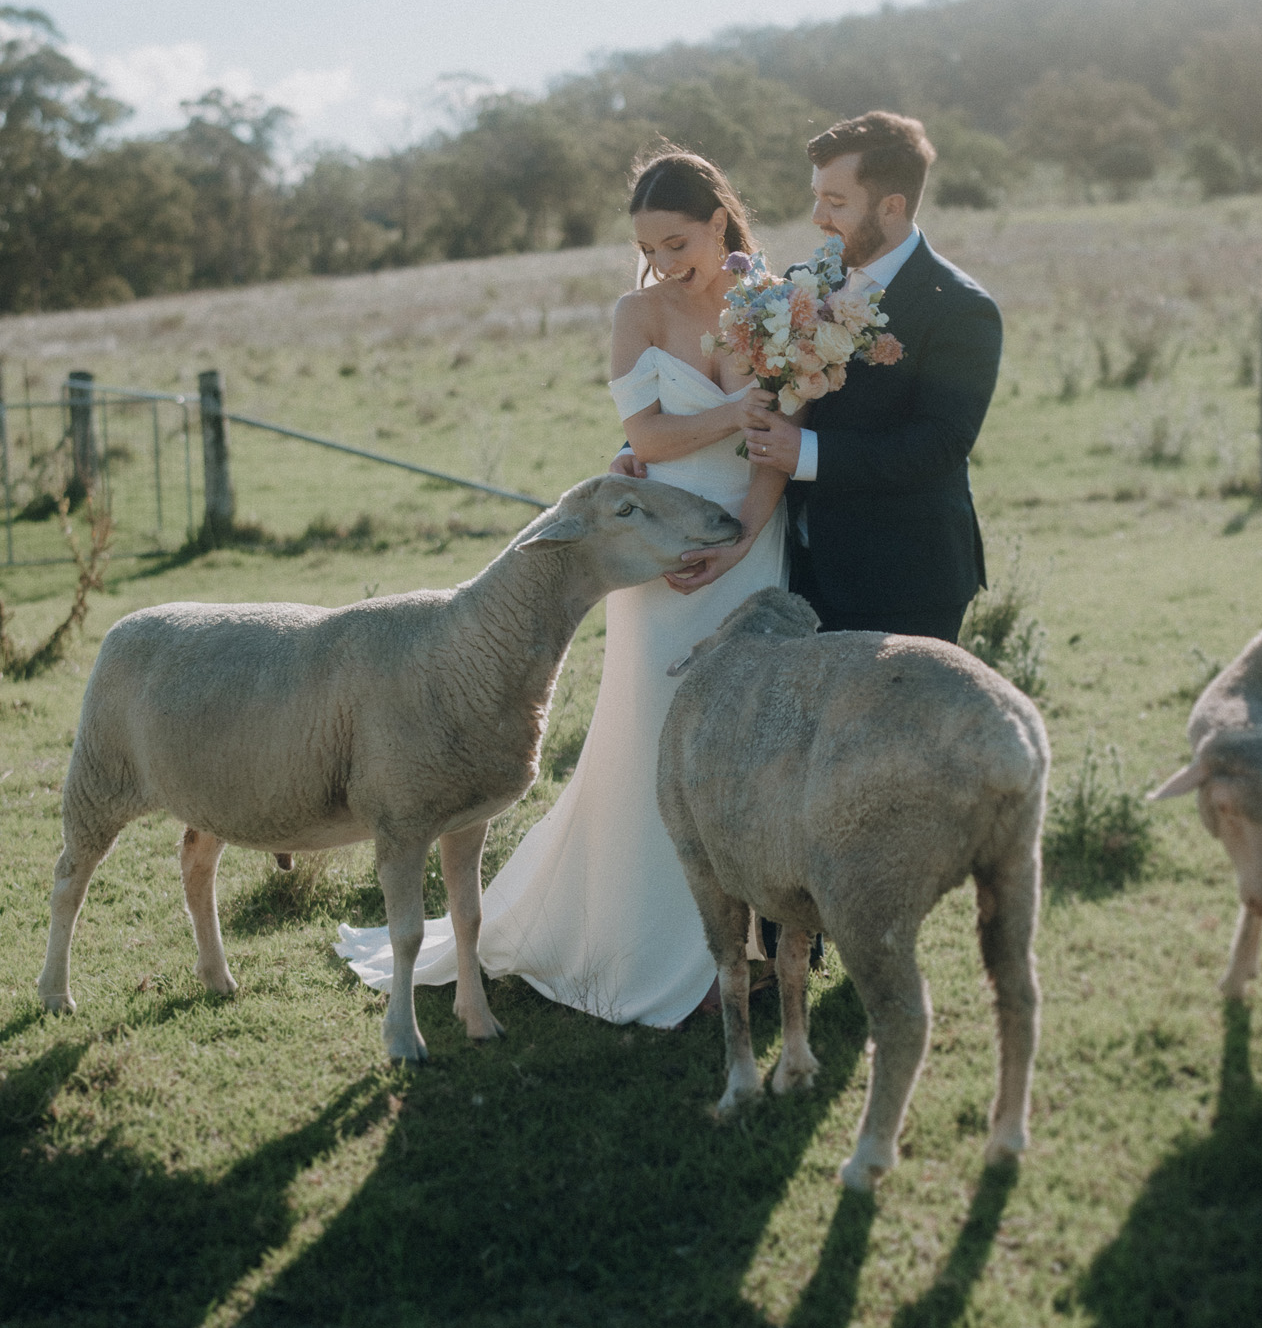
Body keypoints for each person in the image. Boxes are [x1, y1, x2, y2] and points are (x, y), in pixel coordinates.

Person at [335, 150, 788, 1030]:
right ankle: (656, 955)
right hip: (662, 554)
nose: (663, 262)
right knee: (652, 742)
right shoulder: (637, 312)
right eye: (648, 246)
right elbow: (646, 442)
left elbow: (785, 433)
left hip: (756, 547)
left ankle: (752, 947)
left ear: (722, 223)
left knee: (748, 745)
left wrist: (751, 542)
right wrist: (734, 416)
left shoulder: (772, 303)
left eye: (679, 241)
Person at [738, 111, 1002, 645]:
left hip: (905, 581)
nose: (817, 217)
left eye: (836, 203)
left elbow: (939, 444)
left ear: (892, 206)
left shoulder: (959, 308)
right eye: (817, 197)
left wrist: (805, 454)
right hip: (796, 573)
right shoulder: (802, 284)